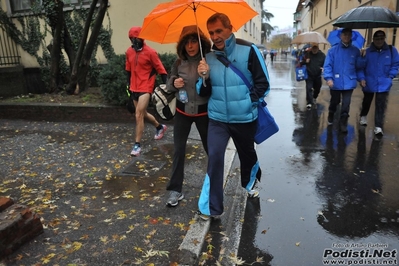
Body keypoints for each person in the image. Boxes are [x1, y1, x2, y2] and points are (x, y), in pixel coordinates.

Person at [196, 13, 270, 220]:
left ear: (230, 28)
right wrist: (203, 78)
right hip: (217, 119)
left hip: (245, 118)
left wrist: (249, 102)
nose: (215, 36)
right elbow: (203, 93)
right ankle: (211, 207)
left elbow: (263, 84)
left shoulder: (249, 50)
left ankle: (250, 182)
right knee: (216, 157)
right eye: (211, 33)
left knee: (247, 156)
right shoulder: (208, 59)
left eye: (219, 30)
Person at [165, 25, 212, 207]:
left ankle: (212, 187)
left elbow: (214, 85)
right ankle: (175, 190)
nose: (190, 46)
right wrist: (173, 82)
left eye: (194, 41)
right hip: (182, 112)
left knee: (211, 150)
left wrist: (206, 75)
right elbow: (169, 83)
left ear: (200, 42)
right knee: (178, 151)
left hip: (204, 112)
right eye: (186, 42)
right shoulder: (178, 63)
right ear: (182, 45)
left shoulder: (208, 60)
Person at [125, 26, 168, 156]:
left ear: (142, 38)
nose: (135, 41)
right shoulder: (129, 52)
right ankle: (160, 127)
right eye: (132, 39)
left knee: (138, 115)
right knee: (142, 114)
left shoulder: (151, 52)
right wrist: (128, 85)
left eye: (137, 38)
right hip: (133, 87)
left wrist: (168, 88)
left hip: (146, 87)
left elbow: (161, 70)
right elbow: (128, 70)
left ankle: (137, 145)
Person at [358, 30, 399, 136]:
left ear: (384, 38)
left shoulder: (391, 50)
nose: (379, 40)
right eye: (377, 38)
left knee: (381, 104)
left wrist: (390, 76)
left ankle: (378, 126)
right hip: (369, 81)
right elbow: (360, 67)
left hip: (384, 82)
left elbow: (395, 64)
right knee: (367, 101)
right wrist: (362, 78)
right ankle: (363, 115)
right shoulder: (366, 52)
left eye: (381, 38)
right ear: (373, 40)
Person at [323, 28, 362, 133]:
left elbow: (359, 67)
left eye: (349, 35)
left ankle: (343, 123)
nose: (346, 37)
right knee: (335, 102)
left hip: (349, 82)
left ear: (351, 37)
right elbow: (327, 66)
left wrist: (363, 58)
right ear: (340, 36)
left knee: (346, 104)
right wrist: (329, 78)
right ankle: (331, 113)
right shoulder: (332, 50)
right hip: (335, 82)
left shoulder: (355, 51)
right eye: (344, 35)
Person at [300, 43, 326, 108]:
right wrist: (306, 61)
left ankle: (314, 97)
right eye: (313, 48)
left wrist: (323, 68)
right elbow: (301, 62)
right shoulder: (308, 54)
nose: (314, 49)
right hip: (309, 75)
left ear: (318, 48)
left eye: (315, 48)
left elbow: (326, 63)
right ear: (311, 48)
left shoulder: (322, 55)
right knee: (309, 88)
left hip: (318, 75)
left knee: (317, 88)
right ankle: (309, 102)